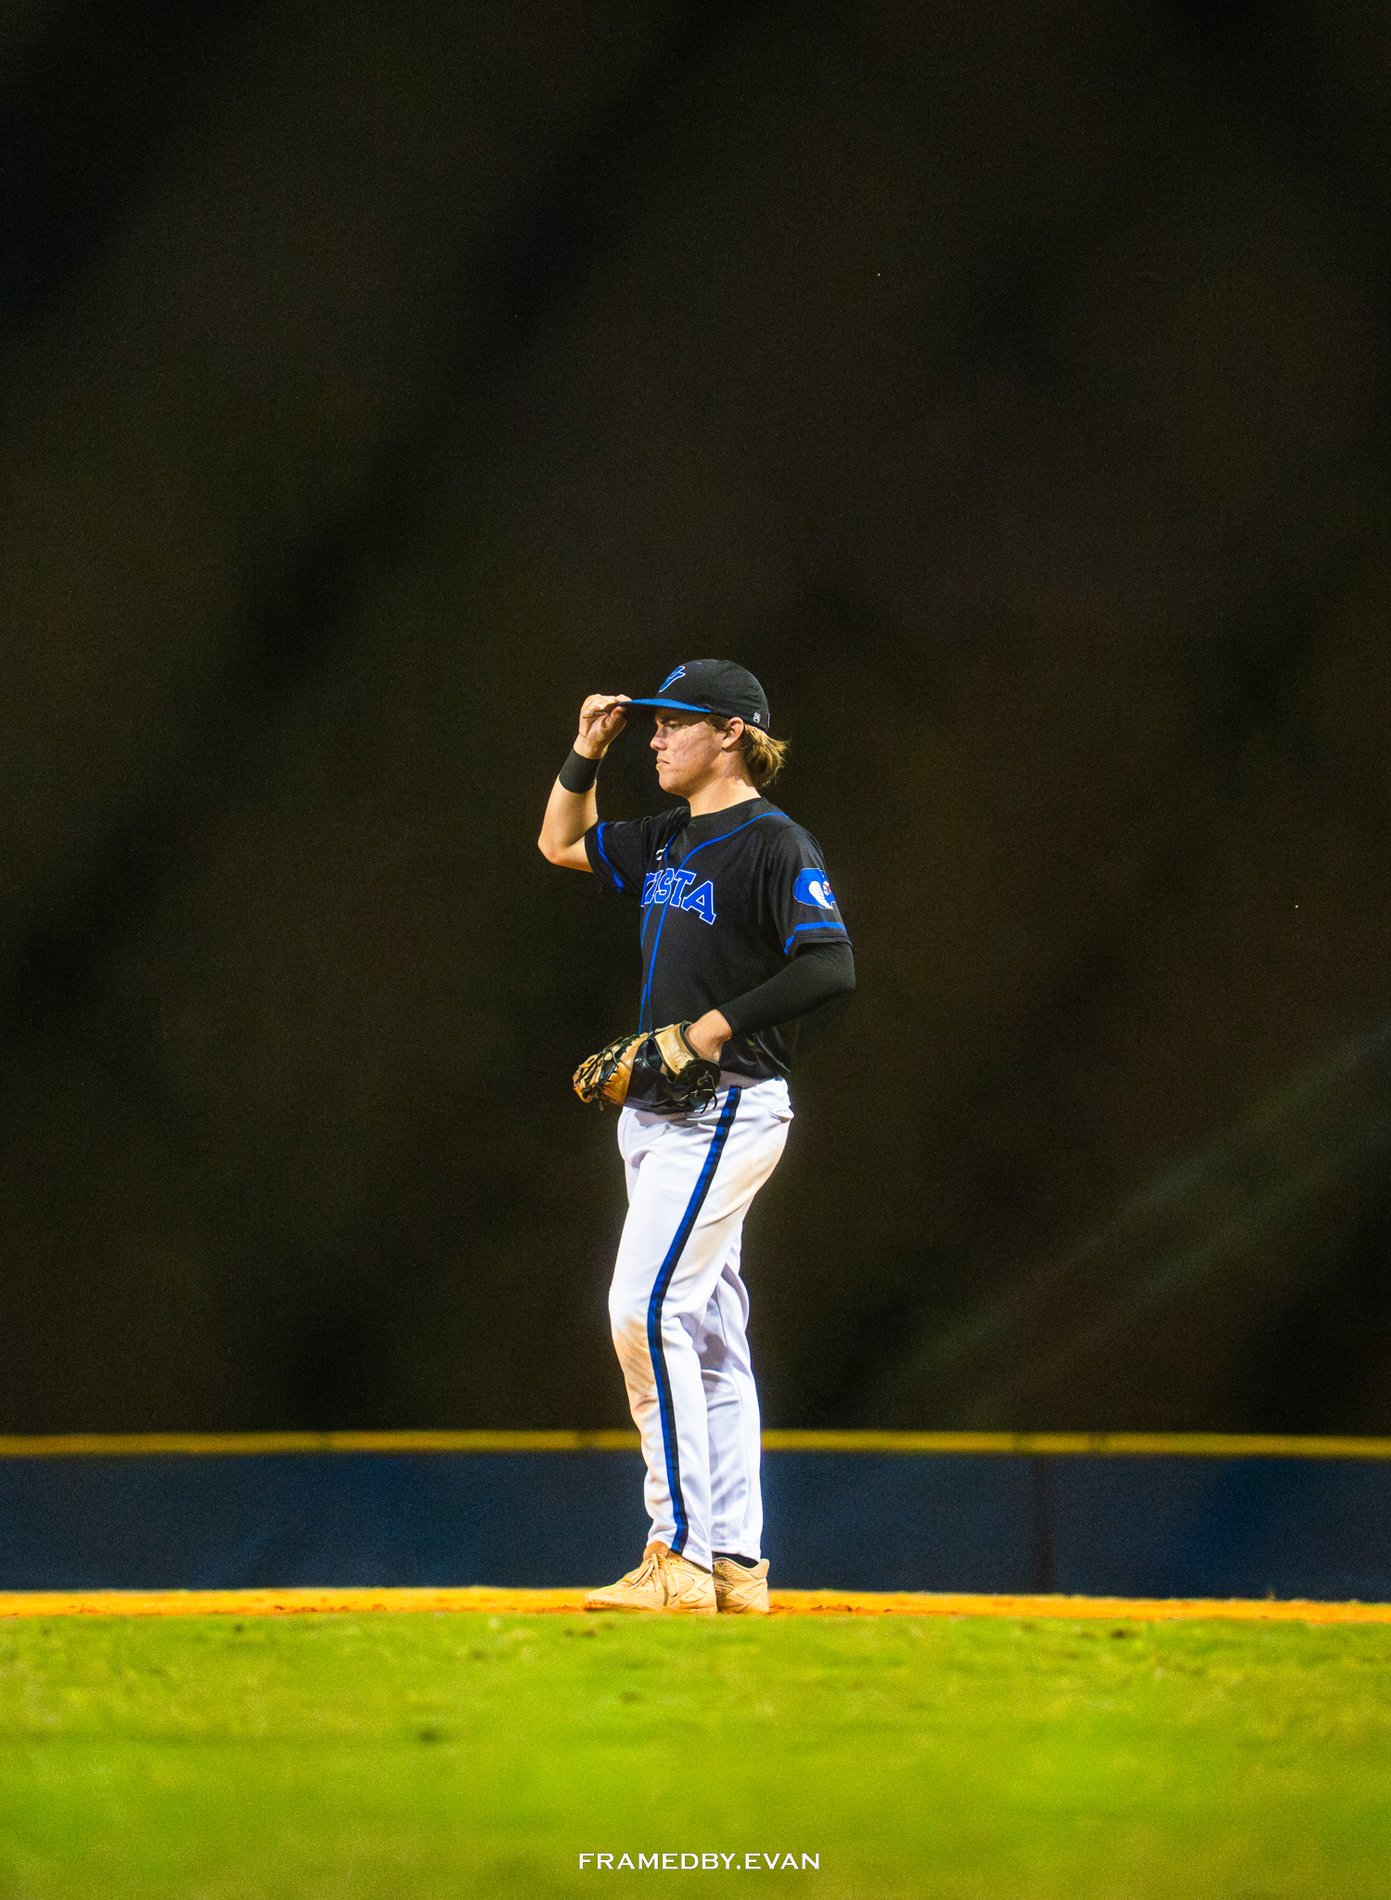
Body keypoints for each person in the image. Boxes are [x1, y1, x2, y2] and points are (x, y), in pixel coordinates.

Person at [538, 660, 855, 1614]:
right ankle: (733, 1564)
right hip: (657, 1120)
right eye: (654, 723)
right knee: (710, 1336)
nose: (656, 737)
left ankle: (675, 1551)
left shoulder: (774, 842)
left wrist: (707, 1029)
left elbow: (828, 965)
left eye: (676, 722)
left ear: (730, 732)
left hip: (724, 1109)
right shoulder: (669, 836)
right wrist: (584, 752)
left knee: (642, 1311)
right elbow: (559, 843)